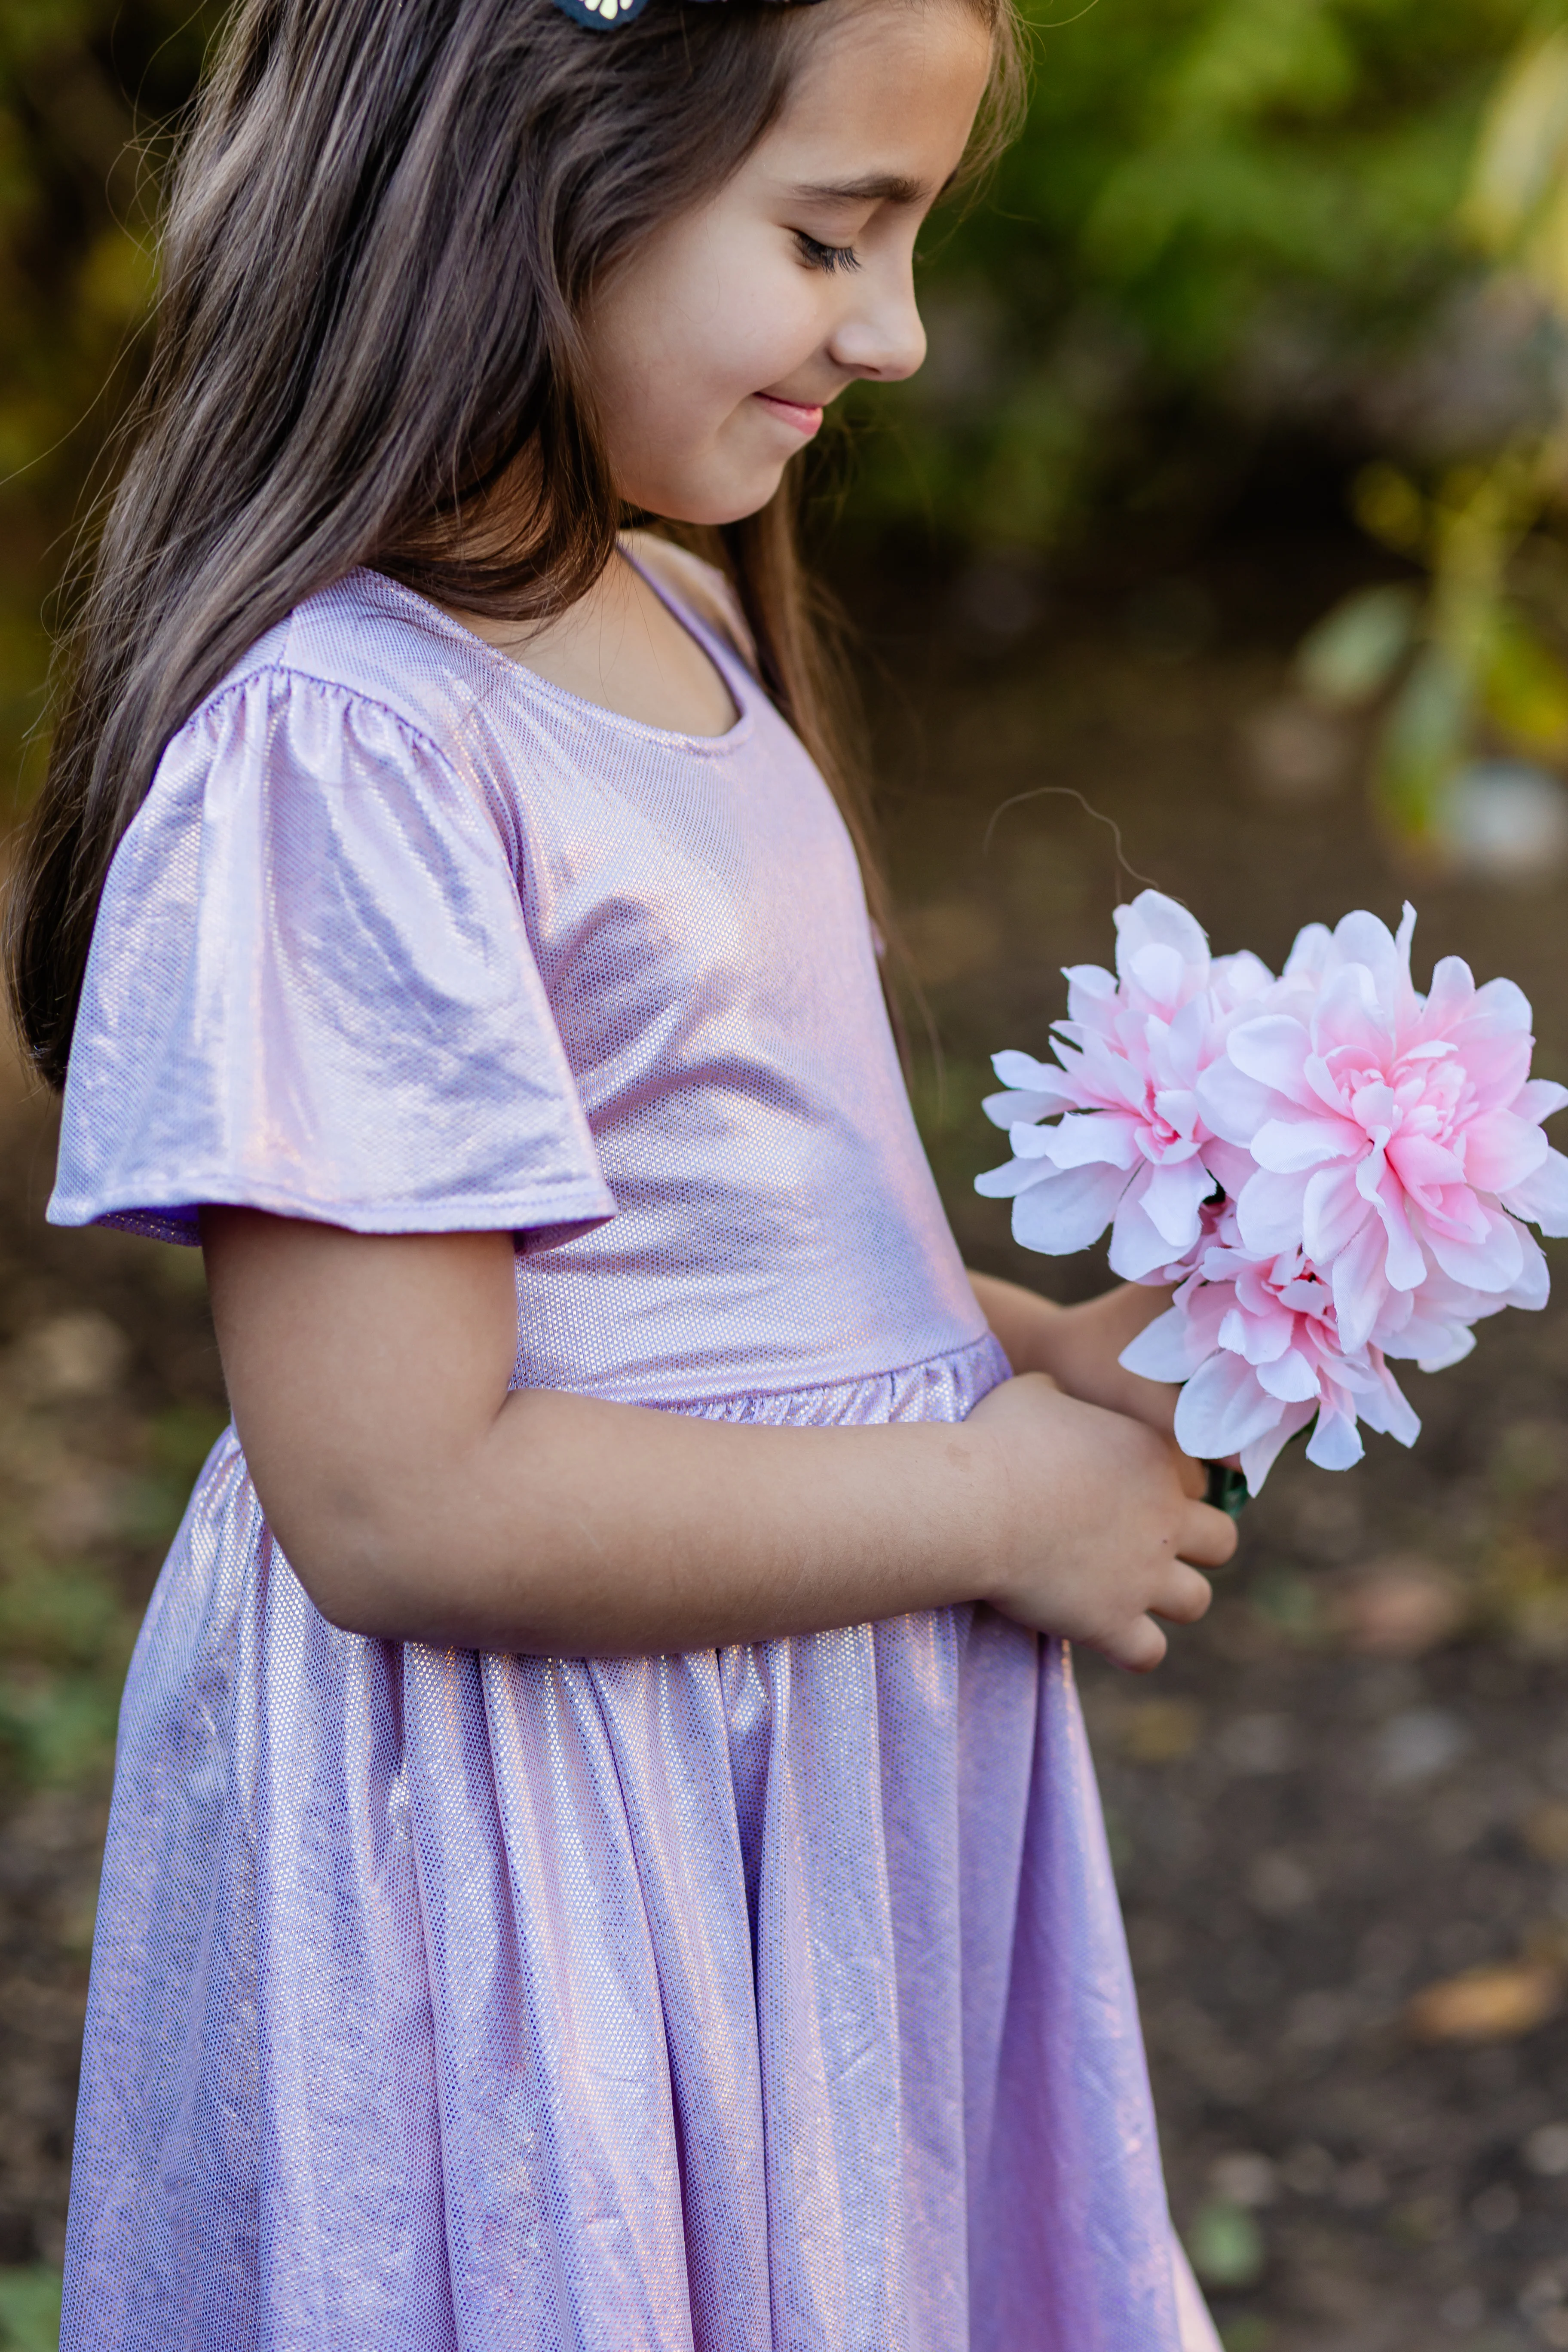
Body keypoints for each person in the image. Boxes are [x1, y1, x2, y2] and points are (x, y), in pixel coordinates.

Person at [8, 0, 1238, 2340]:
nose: (894, 334)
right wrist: (989, 1507)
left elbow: (727, 1229)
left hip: (778, 1784)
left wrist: (1021, 1347)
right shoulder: (347, 750)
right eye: (828, 237)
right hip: (546, 1853)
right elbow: (398, 1500)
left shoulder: (668, 611)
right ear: (530, 170)